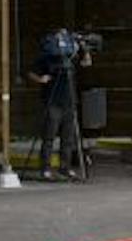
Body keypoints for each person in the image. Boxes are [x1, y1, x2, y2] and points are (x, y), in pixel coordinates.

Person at [28, 32, 90, 180]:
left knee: (67, 138)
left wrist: (85, 49)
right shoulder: (47, 57)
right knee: (49, 136)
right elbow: (31, 72)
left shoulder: (72, 56)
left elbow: (87, 63)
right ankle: (45, 169)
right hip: (53, 100)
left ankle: (65, 167)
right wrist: (41, 79)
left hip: (69, 101)